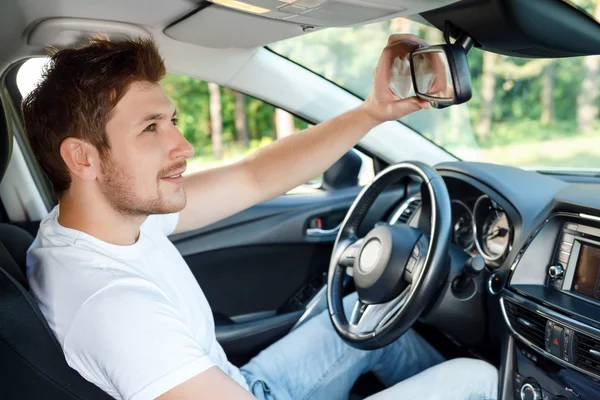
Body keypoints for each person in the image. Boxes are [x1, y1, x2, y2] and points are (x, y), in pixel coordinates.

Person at [23, 34, 498, 400]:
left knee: (364, 314)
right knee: (476, 377)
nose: (182, 146)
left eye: (172, 121)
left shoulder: (94, 224)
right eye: (150, 128)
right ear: (82, 159)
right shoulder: (114, 307)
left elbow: (253, 177)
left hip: (243, 383)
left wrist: (372, 113)